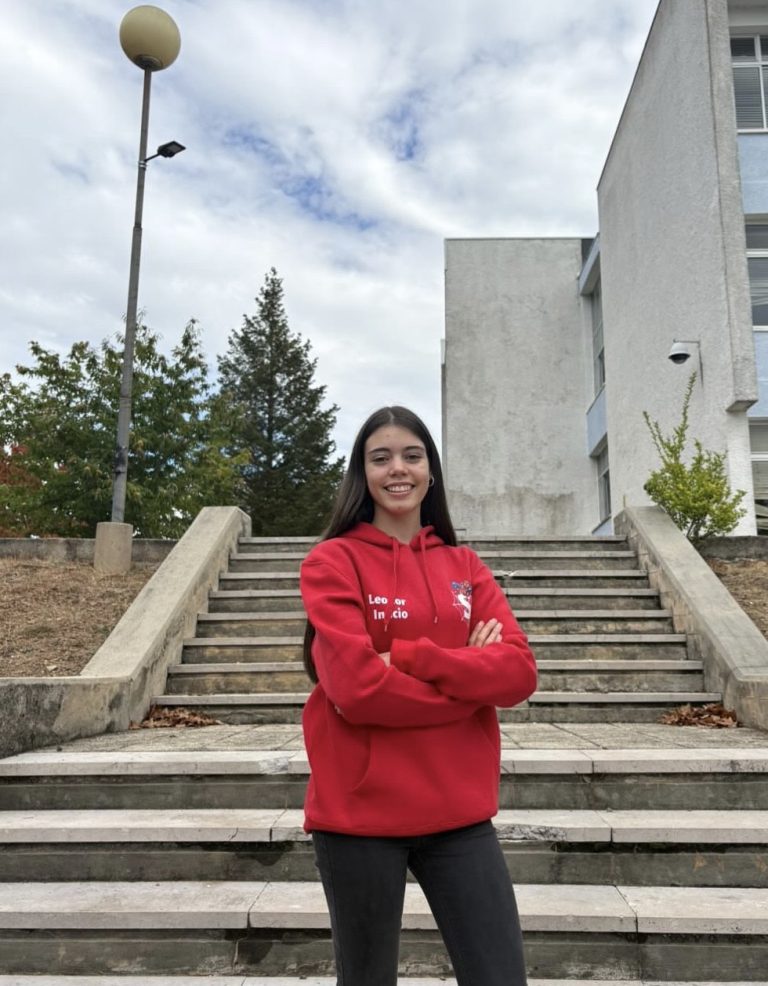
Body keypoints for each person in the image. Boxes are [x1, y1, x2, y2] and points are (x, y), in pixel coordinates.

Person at [300, 405, 538, 986]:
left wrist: (411, 657)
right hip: (358, 817)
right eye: (380, 458)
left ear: (431, 470)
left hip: (458, 813)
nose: (397, 469)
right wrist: (468, 678)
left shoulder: (464, 566)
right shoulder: (332, 563)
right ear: (363, 473)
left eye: (412, 455)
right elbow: (357, 690)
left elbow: (518, 674)